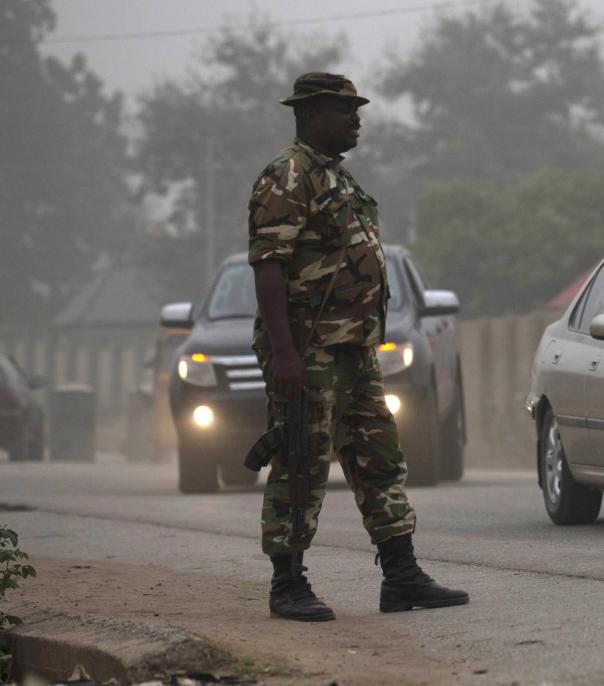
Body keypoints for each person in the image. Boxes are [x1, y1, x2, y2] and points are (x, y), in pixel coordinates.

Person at [248, 72, 468, 622]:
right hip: (309, 352)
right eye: (345, 110)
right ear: (311, 114)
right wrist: (284, 353)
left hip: (355, 350)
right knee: (302, 463)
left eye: (356, 109)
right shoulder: (287, 177)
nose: (357, 119)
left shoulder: (338, 180)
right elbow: (269, 268)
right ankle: (288, 583)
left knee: (379, 460)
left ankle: (401, 576)